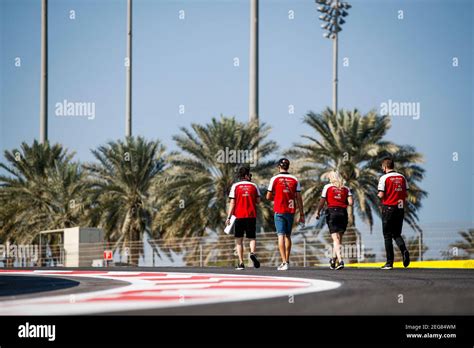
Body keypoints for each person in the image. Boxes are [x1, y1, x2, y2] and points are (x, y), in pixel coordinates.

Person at [266, 158, 305, 271]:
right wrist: (302, 214)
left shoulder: (275, 178)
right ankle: (287, 260)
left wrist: (277, 196)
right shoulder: (294, 179)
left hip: (279, 210)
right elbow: (299, 198)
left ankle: (284, 262)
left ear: (279, 166)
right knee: (288, 236)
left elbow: (268, 196)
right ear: (288, 166)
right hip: (291, 211)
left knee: (280, 235)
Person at [315, 171, 353, 270]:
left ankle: (340, 261)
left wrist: (318, 211)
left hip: (332, 212)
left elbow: (322, 201)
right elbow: (351, 202)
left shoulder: (327, 187)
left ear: (331, 178)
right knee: (339, 239)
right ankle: (333, 259)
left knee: (335, 239)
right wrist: (342, 200)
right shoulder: (346, 188)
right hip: (343, 213)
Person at [377, 157, 410, 270]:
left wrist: (378, 197)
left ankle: (389, 263)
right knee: (396, 234)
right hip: (400, 208)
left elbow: (381, 195)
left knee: (387, 236)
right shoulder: (402, 177)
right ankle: (404, 250)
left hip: (388, 209)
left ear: (385, 167)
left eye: (382, 167)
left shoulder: (384, 178)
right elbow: (406, 194)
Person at [226, 166, 261, 270]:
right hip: (251, 215)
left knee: (239, 240)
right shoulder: (254, 186)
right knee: (252, 238)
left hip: (238, 216)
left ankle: (241, 263)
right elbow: (258, 201)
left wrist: (228, 217)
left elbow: (232, 203)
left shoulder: (235, 186)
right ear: (247, 175)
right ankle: (252, 253)